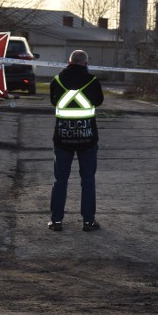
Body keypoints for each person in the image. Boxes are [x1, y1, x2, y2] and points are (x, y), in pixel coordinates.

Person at [48, 49, 104, 232]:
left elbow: (53, 101)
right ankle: (88, 222)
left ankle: (56, 221)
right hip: (87, 139)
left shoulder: (56, 81)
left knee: (60, 181)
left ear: (68, 62)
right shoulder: (93, 81)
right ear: (86, 63)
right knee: (87, 180)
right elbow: (98, 101)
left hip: (63, 139)